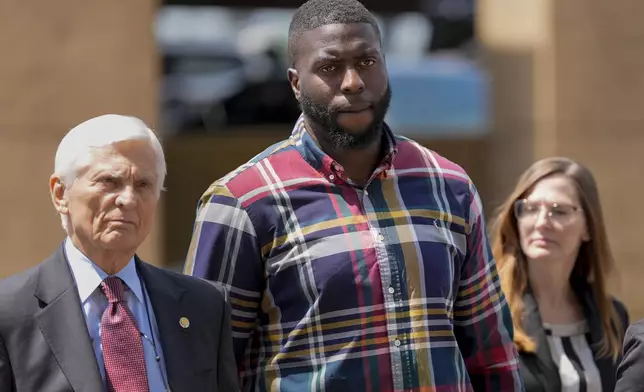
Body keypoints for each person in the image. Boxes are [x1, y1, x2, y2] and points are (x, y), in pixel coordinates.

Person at [183, 0, 522, 391]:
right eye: (330, 67)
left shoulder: (449, 186)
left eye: (367, 61)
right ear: (295, 83)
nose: (353, 82)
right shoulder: (242, 202)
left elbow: (492, 354)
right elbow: (205, 365)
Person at [0, 114, 238, 392]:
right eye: (109, 182)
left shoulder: (204, 306)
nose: (127, 199)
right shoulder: (11, 313)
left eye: (143, 185)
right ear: (60, 194)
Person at [490, 157, 629, 392]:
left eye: (559, 211)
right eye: (531, 209)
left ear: (588, 227)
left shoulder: (613, 317)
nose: (542, 222)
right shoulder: (490, 314)